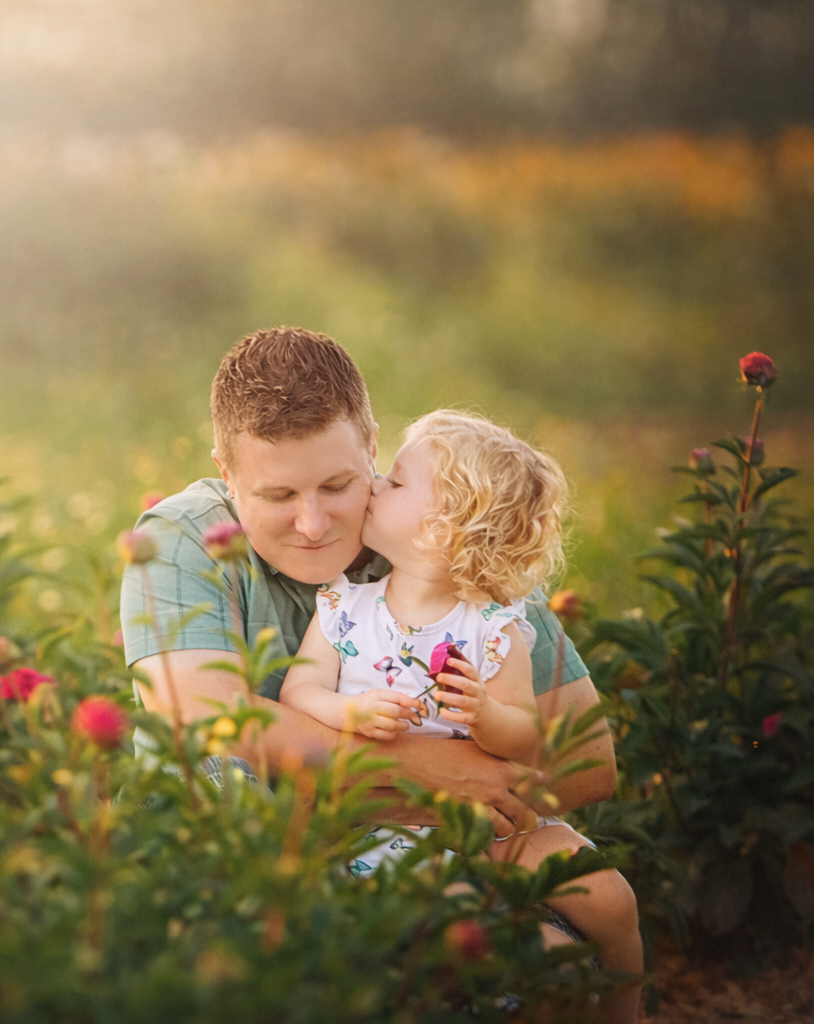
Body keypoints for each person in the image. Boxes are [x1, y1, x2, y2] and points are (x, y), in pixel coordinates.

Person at [118, 326, 617, 833]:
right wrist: (427, 773)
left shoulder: (452, 538)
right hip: (232, 852)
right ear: (226, 473)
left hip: (429, 857)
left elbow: (589, 764)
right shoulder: (185, 535)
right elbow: (207, 725)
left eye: (337, 485)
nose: (312, 524)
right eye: (278, 496)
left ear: (373, 446)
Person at [278, 408, 641, 1024]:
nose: (374, 484)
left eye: (394, 482)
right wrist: (350, 709)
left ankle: (627, 1010)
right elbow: (300, 688)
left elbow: (527, 734)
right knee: (466, 917)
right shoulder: (345, 608)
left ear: (442, 528)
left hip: (498, 829)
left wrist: (486, 715)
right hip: (387, 830)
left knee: (609, 893)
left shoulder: (494, 628)